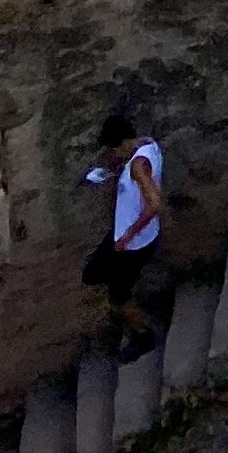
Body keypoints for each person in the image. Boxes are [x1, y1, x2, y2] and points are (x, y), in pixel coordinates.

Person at [80, 112, 167, 355]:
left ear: (123, 143)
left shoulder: (138, 166)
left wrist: (128, 236)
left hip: (132, 246)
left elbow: (154, 204)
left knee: (118, 297)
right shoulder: (148, 144)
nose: (114, 153)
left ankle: (143, 336)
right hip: (125, 236)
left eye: (114, 148)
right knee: (92, 273)